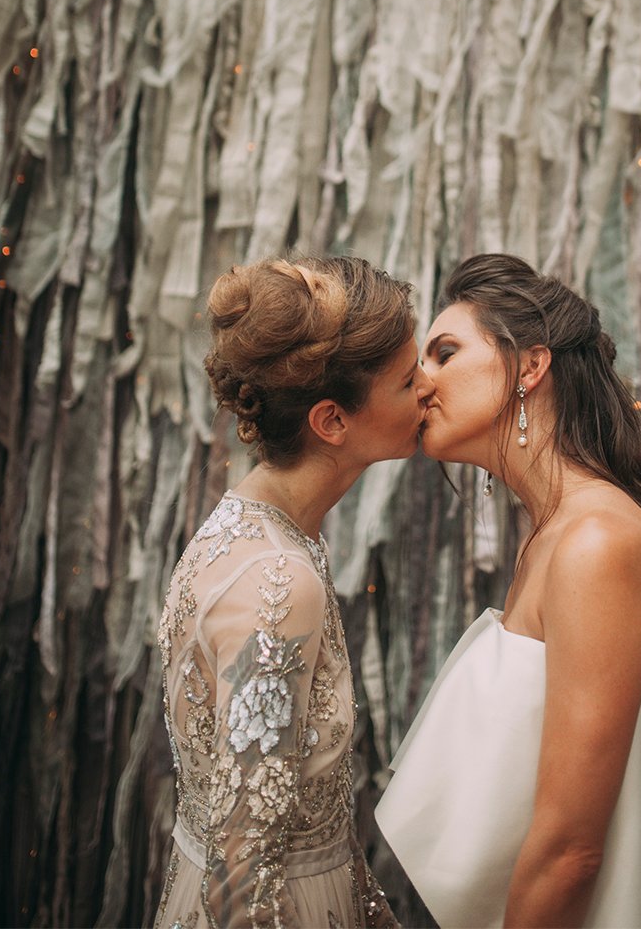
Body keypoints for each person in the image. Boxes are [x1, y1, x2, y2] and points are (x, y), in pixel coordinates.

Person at [376, 253, 641, 929]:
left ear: (529, 367)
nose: (421, 384)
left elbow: (571, 851)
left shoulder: (597, 543)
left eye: (444, 353)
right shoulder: (552, 536)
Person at [154, 254, 433, 929]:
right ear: (332, 421)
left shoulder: (252, 530)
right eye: (407, 379)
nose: (430, 387)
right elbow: (242, 876)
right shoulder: (278, 585)